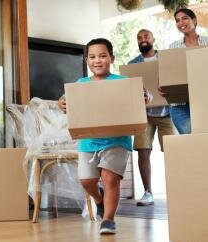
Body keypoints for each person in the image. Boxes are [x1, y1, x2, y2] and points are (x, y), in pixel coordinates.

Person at [58, 38, 151, 235]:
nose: (97, 60)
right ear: (86, 61)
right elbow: (66, 101)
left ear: (111, 58)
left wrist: (146, 97)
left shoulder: (122, 82)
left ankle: (108, 220)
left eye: (102, 56)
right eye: (92, 57)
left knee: (110, 179)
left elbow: (143, 96)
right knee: (87, 181)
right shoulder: (80, 84)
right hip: (88, 141)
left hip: (117, 140)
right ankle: (99, 199)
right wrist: (62, 103)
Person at [128, 29, 176, 206]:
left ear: (153, 39)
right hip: (144, 114)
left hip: (167, 113)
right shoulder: (133, 64)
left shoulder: (165, 59)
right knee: (143, 151)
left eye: (145, 36)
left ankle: (176, 189)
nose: (142, 40)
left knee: (172, 152)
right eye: (139, 38)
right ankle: (148, 192)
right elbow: (130, 90)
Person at [160, 8, 208, 134]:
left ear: (194, 20)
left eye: (185, 18)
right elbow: (169, 74)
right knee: (191, 138)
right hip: (180, 104)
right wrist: (164, 87)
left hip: (204, 100)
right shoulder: (173, 47)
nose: (181, 22)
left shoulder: (207, 43)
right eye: (177, 20)